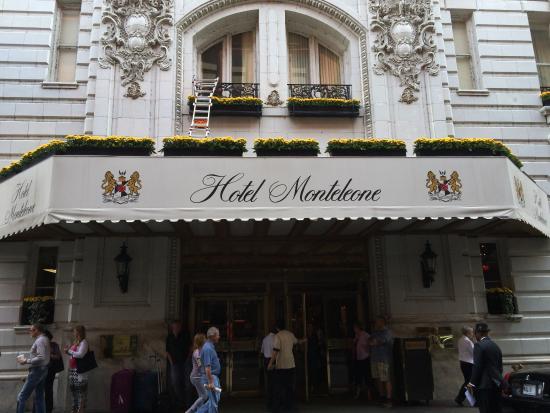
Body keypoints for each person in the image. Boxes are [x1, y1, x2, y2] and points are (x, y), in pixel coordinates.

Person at [467, 323, 503, 413]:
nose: (475, 336)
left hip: (484, 385)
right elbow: (500, 366)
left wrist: (472, 382)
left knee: (485, 409)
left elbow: (477, 366)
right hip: (496, 383)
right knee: (495, 409)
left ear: (478, 333)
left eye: (475, 334)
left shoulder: (478, 345)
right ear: (487, 333)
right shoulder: (495, 346)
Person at [16, 323, 50, 413]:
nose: (29, 332)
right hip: (43, 369)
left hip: (37, 370)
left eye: (31, 330)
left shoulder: (40, 340)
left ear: (37, 330)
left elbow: (41, 357)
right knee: (39, 397)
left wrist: (26, 361)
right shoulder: (45, 339)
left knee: (22, 396)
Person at [268, 322, 298, 413]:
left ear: (277, 328)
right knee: (289, 386)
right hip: (291, 364)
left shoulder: (278, 336)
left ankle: (276, 407)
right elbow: (296, 341)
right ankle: (289, 406)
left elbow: (275, 351)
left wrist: (270, 363)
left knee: (278, 387)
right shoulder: (290, 334)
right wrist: (304, 340)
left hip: (281, 365)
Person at [166, 320, 191, 409]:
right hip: (175, 363)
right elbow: (167, 351)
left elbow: (190, 347)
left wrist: (188, 359)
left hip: (185, 362)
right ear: (172, 327)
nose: (177, 328)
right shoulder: (169, 337)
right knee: (175, 382)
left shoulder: (185, 335)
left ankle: (188, 404)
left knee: (188, 383)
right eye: (175, 327)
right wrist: (171, 362)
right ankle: (181, 401)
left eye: (178, 327)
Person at [369, 317, 393, 408]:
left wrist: (374, 342)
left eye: (377, 322)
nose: (375, 323)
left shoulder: (387, 332)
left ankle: (389, 399)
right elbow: (369, 341)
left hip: (383, 359)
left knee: (386, 378)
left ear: (382, 322)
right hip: (375, 358)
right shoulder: (375, 332)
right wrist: (373, 342)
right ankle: (381, 396)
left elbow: (378, 342)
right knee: (378, 378)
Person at [64, 325, 89, 413]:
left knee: (80, 391)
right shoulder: (76, 342)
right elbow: (74, 354)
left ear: (79, 332)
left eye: (75, 331)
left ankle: (80, 410)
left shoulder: (84, 342)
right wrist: (68, 351)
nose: (73, 333)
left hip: (80, 370)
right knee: (73, 390)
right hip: (73, 369)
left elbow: (81, 354)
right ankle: (74, 410)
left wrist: (69, 351)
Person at [197, 327, 222, 413]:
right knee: (214, 402)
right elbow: (207, 367)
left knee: (214, 400)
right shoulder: (208, 348)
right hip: (211, 377)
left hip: (212, 377)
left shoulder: (209, 347)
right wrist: (211, 382)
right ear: (213, 336)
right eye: (217, 335)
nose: (219, 337)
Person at [186, 333, 208, 413]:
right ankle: (190, 411)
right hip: (196, 377)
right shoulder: (197, 353)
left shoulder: (200, 351)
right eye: (205, 339)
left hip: (198, 377)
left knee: (201, 396)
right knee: (204, 396)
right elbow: (200, 365)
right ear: (201, 341)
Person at [43, 330, 63, 413]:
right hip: (41, 370)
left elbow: (58, 356)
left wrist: (49, 354)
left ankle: (49, 409)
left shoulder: (54, 345)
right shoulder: (41, 345)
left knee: (48, 389)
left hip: (50, 370)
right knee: (40, 390)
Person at [455, 326, 474, 406]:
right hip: (469, 363)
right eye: (472, 332)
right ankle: (460, 398)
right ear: (468, 333)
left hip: (463, 363)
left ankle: (463, 398)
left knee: (468, 382)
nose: (473, 334)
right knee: (469, 382)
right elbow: (474, 352)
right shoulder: (468, 341)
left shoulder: (460, 340)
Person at [352, 321, 372, 400]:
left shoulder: (365, 334)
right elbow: (354, 343)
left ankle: (369, 393)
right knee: (358, 376)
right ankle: (358, 393)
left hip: (365, 357)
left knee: (367, 375)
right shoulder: (357, 335)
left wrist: (367, 348)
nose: (354, 329)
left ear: (358, 327)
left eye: (355, 328)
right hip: (358, 357)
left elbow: (370, 342)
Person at [260, 327, 277, 410]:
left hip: (266, 360)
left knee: (269, 381)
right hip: (274, 360)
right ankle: (275, 402)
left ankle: (269, 402)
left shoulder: (265, 339)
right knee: (275, 382)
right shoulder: (276, 338)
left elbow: (262, 351)